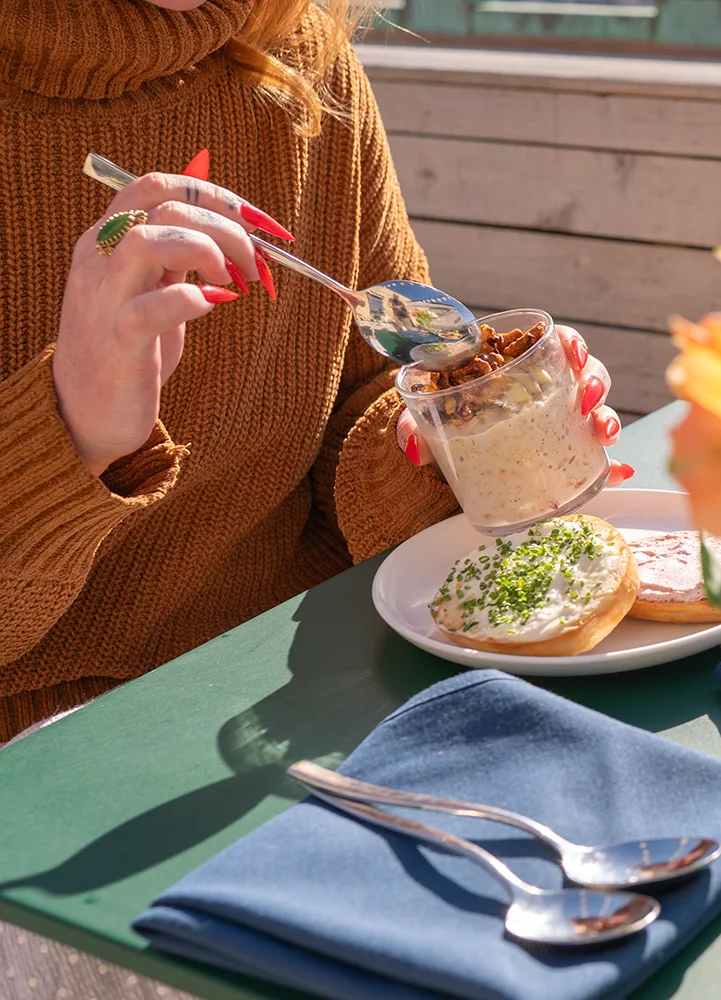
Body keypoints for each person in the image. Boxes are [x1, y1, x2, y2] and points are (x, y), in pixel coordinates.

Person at [0, 0, 631, 746]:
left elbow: (361, 395)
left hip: (315, 684)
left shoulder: (297, 56)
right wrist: (68, 429)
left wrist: (448, 436)